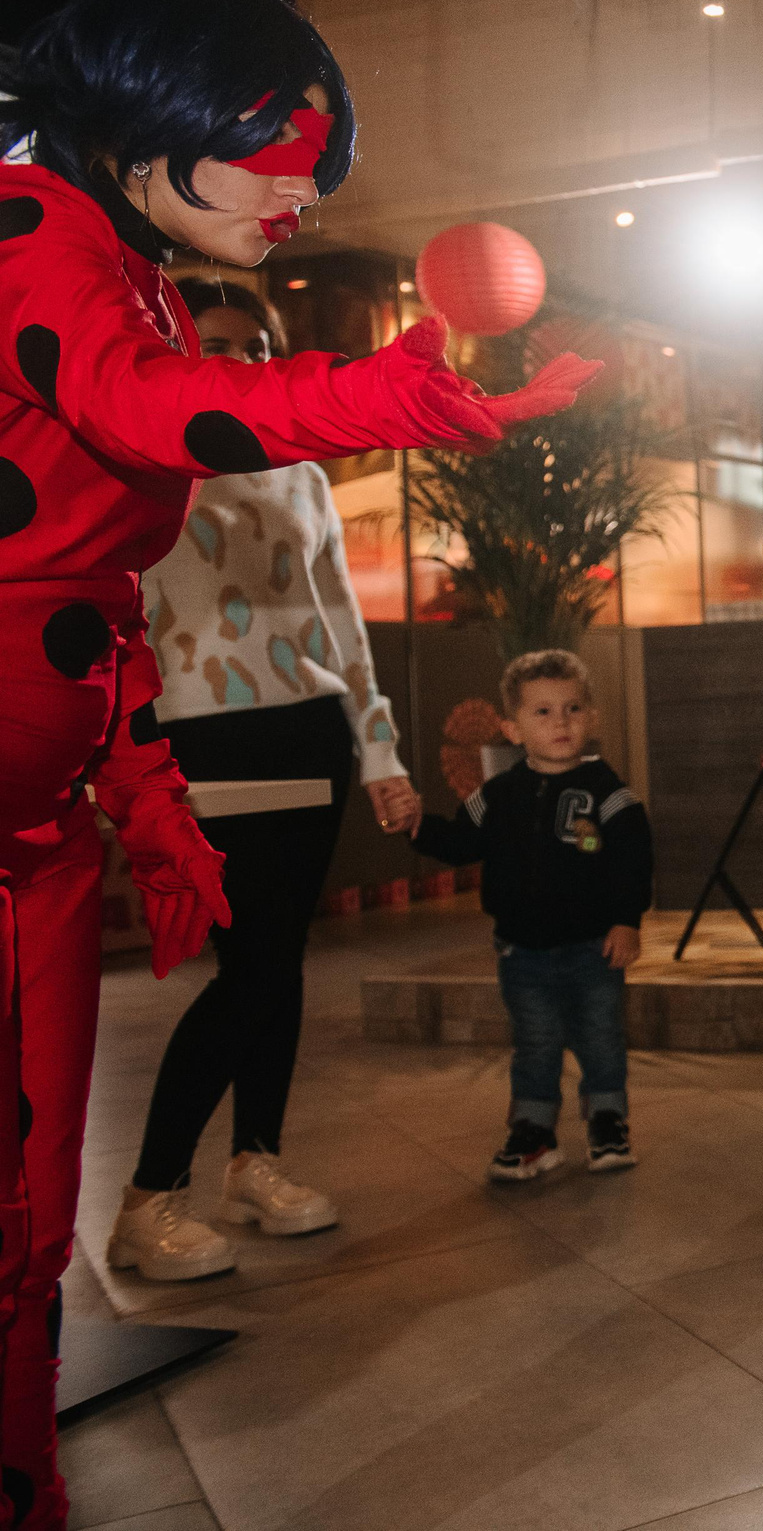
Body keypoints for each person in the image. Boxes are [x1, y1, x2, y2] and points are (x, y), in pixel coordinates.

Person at [0, 0, 589, 1527]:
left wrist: (138, 801)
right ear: (154, 120)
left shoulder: (110, 252)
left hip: (42, 825)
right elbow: (142, 411)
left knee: (33, 1209)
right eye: (269, 151)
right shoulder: (33, 231)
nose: (297, 196)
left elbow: (81, 597)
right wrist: (376, 392)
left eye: (305, 163)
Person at [107, 281, 422, 1282]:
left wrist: (379, 751)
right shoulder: (136, 462)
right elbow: (114, 624)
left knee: (278, 958)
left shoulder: (301, 470)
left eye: (255, 346)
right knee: (248, 967)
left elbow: (343, 623)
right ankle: (148, 1201)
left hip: (307, 731)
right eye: (216, 344)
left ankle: (256, 1161)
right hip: (202, 738)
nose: (240, 362)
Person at [404, 650, 652, 1182]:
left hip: (593, 949)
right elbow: (457, 842)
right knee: (535, 1041)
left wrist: (626, 920)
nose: (560, 722)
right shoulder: (497, 796)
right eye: (542, 713)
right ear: (512, 729)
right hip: (522, 952)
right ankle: (534, 1133)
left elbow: (633, 864)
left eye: (572, 708)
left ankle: (608, 1122)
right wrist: (414, 824)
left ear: (592, 718)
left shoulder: (610, 796)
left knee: (601, 1036)